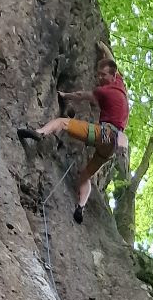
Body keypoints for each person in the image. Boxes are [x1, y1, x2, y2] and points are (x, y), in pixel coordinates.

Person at [18, 44, 130, 224]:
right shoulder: (120, 85)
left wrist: (65, 95)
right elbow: (112, 61)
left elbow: (82, 95)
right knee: (86, 175)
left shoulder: (103, 91)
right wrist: (103, 50)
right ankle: (81, 206)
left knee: (63, 122)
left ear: (112, 75)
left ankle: (39, 133)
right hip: (109, 147)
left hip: (104, 134)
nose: (99, 77)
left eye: (103, 75)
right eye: (98, 74)